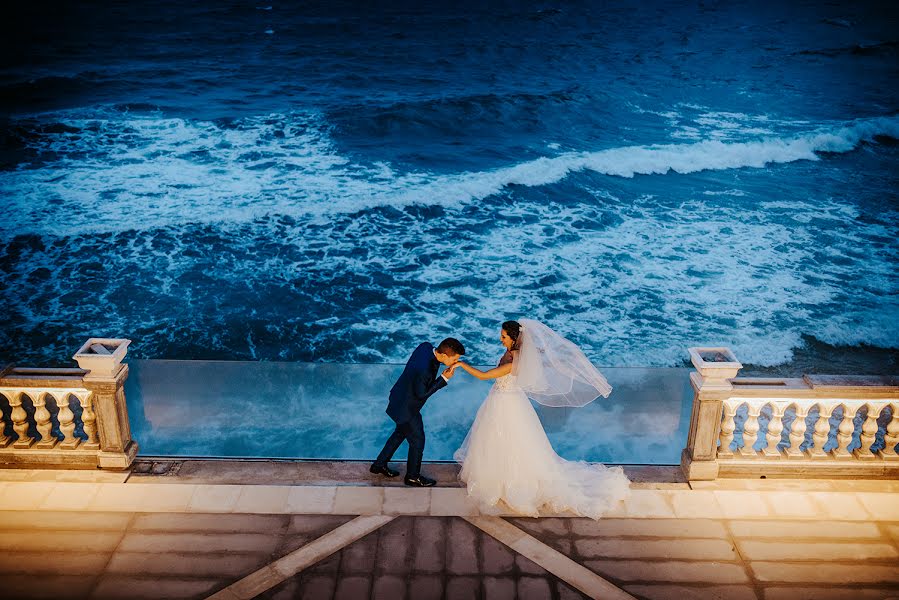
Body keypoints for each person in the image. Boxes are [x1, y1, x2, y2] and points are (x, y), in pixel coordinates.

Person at [451, 319, 630, 518]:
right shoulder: (512, 353)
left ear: (513, 338)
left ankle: (509, 481)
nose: (500, 340)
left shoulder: (513, 361)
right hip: (501, 400)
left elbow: (485, 376)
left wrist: (460, 365)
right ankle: (499, 476)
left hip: (507, 404)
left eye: (503, 337)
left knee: (509, 442)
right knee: (498, 442)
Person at [371, 337, 465, 487]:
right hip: (407, 408)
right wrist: (443, 379)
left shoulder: (426, 347)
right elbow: (421, 393)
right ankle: (412, 477)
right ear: (445, 355)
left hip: (399, 398)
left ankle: (378, 465)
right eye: (455, 359)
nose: (456, 362)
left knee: (400, 434)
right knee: (418, 441)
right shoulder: (424, 371)